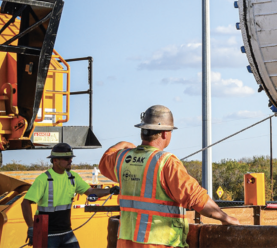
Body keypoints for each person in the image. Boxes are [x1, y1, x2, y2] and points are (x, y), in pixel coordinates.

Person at [99, 105, 240, 248]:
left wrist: (123, 144)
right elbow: (196, 197)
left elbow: (105, 160)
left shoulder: (122, 158)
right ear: (165, 133)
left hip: (125, 243)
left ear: (143, 131)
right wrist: (225, 218)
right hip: (160, 244)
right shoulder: (166, 163)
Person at [21, 143, 113, 248]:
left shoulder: (73, 177)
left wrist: (110, 190)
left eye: (70, 158)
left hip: (66, 231)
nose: (70, 161)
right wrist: (31, 227)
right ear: (55, 160)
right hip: (47, 234)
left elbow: (91, 191)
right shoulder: (43, 179)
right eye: (67, 158)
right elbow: (25, 203)